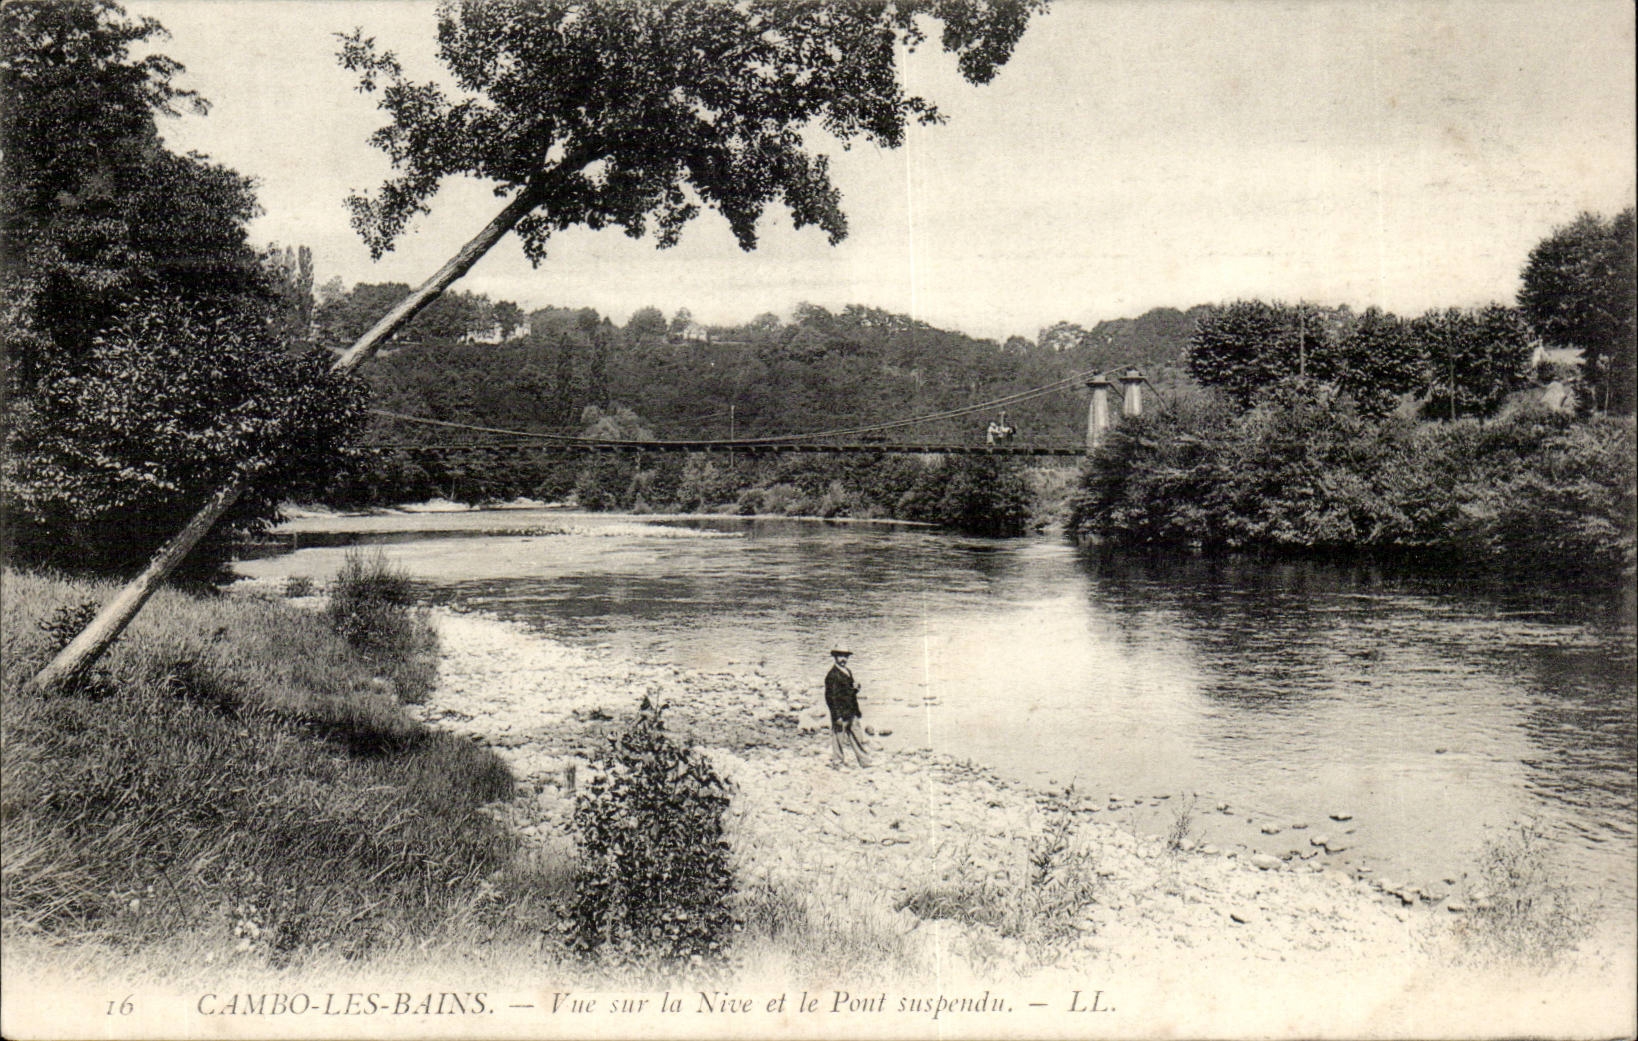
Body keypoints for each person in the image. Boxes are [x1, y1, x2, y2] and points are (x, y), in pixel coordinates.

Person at [824, 648, 871, 768]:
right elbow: (830, 698)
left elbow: (849, 692)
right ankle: (838, 763)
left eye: (846, 656)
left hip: (851, 711)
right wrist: (836, 716)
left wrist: (856, 688)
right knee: (838, 739)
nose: (843, 659)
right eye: (840, 656)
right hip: (840, 713)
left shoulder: (847, 671)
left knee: (857, 736)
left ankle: (864, 761)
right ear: (835, 657)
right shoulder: (832, 675)